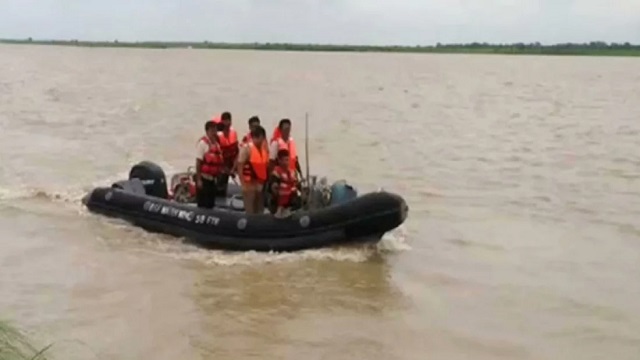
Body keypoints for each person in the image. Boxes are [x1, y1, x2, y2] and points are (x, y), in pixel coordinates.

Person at [238, 125, 269, 214]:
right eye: (262, 138)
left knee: (259, 208)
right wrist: (242, 183)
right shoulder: (246, 148)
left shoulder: (264, 149)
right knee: (250, 209)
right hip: (249, 184)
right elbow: (240, 166)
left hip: (259, 183)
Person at [195, 120, 224, 209]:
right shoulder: (202, 144)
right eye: (211, 131)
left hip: (213, 180)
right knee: (203, 203)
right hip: (204, 179)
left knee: (211, 203)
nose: (214, 133)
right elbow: (198, 162)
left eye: (215, 130)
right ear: (207, 131)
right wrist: (199, 179)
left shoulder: (216, 144)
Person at [269, 149, 300, 218]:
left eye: (287, 160)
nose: (287, 162)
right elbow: (273, 185)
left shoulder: (292, 172)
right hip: (281, 205)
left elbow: (297, 184)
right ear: (279, 161)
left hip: (292, 201)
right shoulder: (276, 173)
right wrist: (275, 187)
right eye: (284, 160)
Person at [216, 111, 239, 196]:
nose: (227, 123)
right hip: (221, 165)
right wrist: (224, 168)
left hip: (232, 164)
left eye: (228, 120)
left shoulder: (234, 133)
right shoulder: (218, 135)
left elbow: (237, 151)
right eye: (225, 121)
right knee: (219, 187)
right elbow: (216, 154)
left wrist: (233, 167)